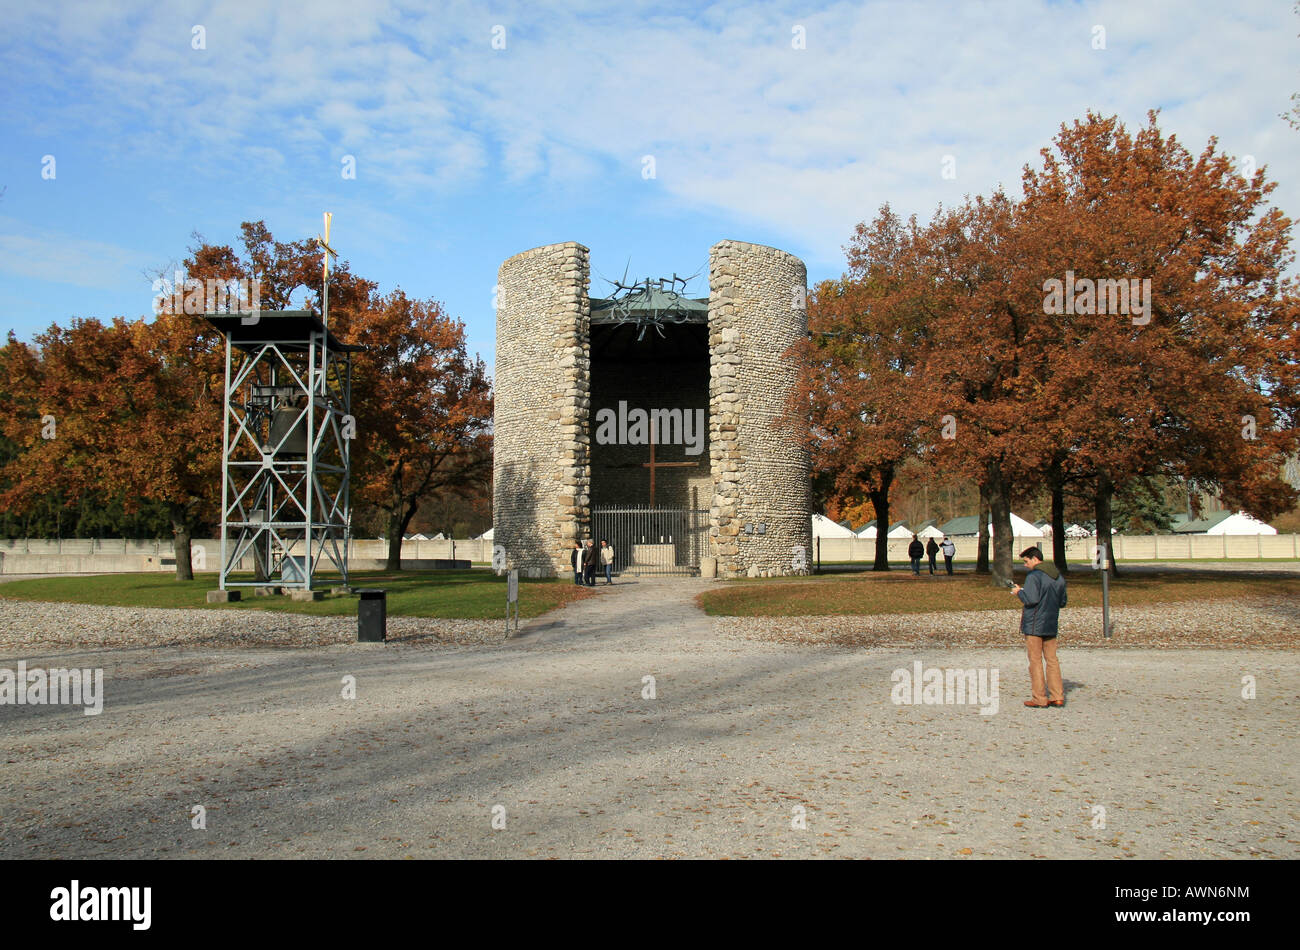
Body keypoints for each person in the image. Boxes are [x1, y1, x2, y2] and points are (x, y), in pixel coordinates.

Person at [1010, 546, 1067, 708]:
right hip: (1051, 622)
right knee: (1052, 660)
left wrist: (1018, 592)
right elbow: (1063, 602)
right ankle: (1057, 696)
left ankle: (1039, 698)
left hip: (1035, 623)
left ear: (1035, 559)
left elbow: (1031, 599)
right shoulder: (1058, 576)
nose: (1025, 565)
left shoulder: (1034, 576)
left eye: (1026, 561)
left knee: (1035, 661)